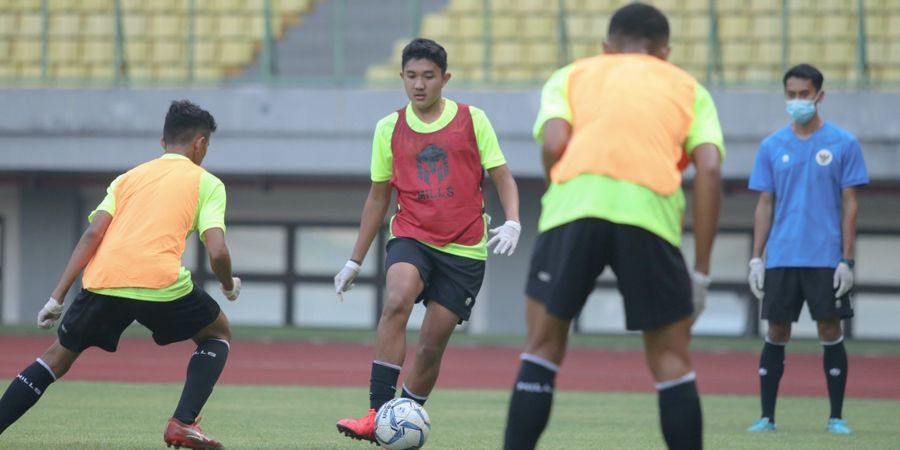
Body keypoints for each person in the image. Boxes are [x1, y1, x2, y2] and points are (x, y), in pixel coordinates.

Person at [502, 3, 725, 449]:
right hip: (649, 216)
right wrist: (700, 269)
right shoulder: (687, 87)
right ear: (665, 52)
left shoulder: (572, 74)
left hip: (573, 211)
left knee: (542, 348)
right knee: (671, 361)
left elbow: (554, 141)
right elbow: (711, 168)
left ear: (607, 47)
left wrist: (563, 190)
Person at [0, 100, 241, 450]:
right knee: (218, 333)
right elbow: (217, 251)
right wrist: (227, 284)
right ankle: (182, 423)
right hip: (160, 282)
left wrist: (57, 297)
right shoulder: (208, 183)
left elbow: (92, 235)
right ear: (200, 144)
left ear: (162, 142)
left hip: (105, 279)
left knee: (55, 358)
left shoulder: (127, 179)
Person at [333, 37, 521, 444]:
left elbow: (502, 175)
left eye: (428, 77)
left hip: (464, 248)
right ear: (401, 77)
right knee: (397, 299)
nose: (419, 85)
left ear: (445, 78)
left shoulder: (473, 119)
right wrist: (355, 260)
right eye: (412, 76)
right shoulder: (389, 127)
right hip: (411, 235)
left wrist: (513, 222)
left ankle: (400, 420)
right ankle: (377, 414)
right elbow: (378, 197)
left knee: (432, 346)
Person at [745, 64, 868, 435]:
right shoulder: (771, 146)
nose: (797, 101)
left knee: (829, 330)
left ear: (819, 96)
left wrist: (846, 259)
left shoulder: (843, 144)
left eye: (804, 94)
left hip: (824, 257)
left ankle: (836, 417)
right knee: (776, 330)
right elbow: (765, 204)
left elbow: (850, 204)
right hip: (782, 256)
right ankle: (767, 417)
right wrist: (756, 257)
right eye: (791, 94)